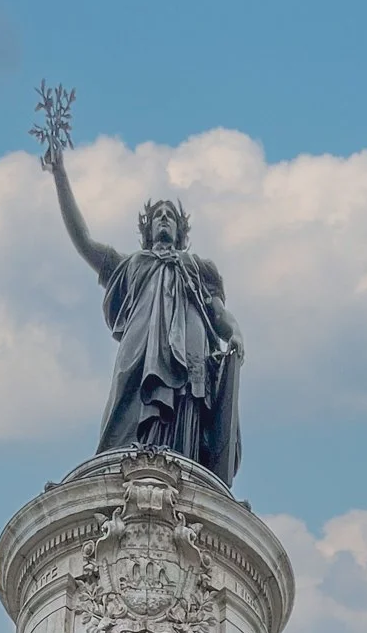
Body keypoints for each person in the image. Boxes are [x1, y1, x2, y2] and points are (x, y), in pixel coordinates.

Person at [45, 145, 245, 486]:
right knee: (129, 400)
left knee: (187, 412)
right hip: (140, 350)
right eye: (158, 215)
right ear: (148, 229)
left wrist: (235, 332)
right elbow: (84, 241)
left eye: (170, 214)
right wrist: (60, 175)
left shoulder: (198, 269)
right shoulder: (130, 265)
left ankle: (183, 476)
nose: (164, 218)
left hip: (192, 352)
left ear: (181, 232)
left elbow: (217, 313)